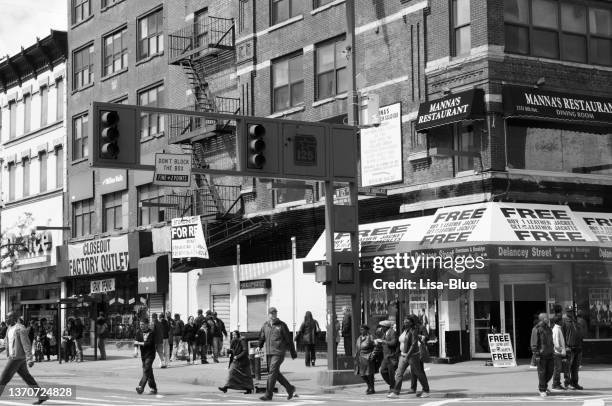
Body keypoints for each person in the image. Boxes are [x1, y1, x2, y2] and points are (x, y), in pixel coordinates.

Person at [0, 312, 48, 404]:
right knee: (27, 378)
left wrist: (30, 358)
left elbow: (26, 344)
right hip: (16, 358)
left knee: (3, 379)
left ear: (14, 318)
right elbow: (7, 344)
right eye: (6, 318)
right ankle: (42, 396)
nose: (6, 320)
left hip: (16, 358)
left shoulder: (20, 329)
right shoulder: (9, 328)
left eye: (8, 318)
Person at [257, 307, 297, 401]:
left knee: (272, 372)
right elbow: (262, 337)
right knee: (274, 373)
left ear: (276, 314)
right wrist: (260, 345)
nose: (273, 315)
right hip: (269, 352)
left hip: (279, 352)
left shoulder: (282, 325)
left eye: (275, 313)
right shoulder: (265, 325)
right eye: (271, 313)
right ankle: (290, 388)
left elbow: (288, 339)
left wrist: (293, 352)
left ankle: (268, 395)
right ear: (268, 314)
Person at [388, 316, 430, 399]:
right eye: (404, 320)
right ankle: (396, 392)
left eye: (407, 320)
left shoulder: (413, 330)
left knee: (418, 373)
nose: (405, 321)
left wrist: (408, 355)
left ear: (411, 322)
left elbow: (414, 344)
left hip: (413, 356)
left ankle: (426, 390)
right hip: (403, 355)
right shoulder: (404, 330)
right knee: (399, 373)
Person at [531, 312, 554, 397]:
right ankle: (542, 389)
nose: (548, 319)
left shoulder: (548, 328)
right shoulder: (536, 329)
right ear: (542, 319)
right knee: (542, 373)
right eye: (546, 318)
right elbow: (534, 343)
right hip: (541, 355)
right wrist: (536, 354)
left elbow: (551, 341)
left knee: (550, 372)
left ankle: (543, 385)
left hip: (550, 353)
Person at [563, 306, 584, 390]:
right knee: (568, 367)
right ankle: (567, 383)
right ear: (566, 312)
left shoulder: (575, 321)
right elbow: (562, 335)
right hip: (569, 348)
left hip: (578, 347)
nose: (571, 313)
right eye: (569, 311)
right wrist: (565, 346)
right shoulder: (564, 322)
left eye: (572, 311)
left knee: (575, 368)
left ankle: (575, 383)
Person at [134, 318, 157, 395]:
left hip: (150, 354)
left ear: (147, 324)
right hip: (143, 355)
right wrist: (135, 351)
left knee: (146, 369)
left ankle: (141, 386)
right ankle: (153, 388)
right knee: (149, 371)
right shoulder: (138, 332)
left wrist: (139, 343)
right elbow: (135, 343)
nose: (141, 326)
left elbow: (149, 343)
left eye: (143, 324)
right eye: (140, 324)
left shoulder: (152, 333)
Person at [376, 320, 398, 393]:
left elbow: (393, 343)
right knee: (383, 371)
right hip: (386, 356)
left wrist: (383, 341)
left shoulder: (392, 332)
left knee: (391, 372)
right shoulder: (385, 333)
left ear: (386, 327)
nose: (381, 328)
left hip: (391, 356)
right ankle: (393, 385)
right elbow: (383, 342)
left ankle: (393, 387)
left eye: (382, 327)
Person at [354, 324, 377, 395]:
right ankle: (369, 386)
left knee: (369, 374)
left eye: (363, 329)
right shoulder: (359, 338)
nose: (361, 331)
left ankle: (372, 388)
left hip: (367, 358)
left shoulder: (370, 337)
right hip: (360, 358)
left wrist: (372, 355)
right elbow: (357, 348)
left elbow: (376, 347)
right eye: (360, 329)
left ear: (367, 330)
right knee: (362, 375)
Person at [551, 315, 568, 391]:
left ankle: (557, 383)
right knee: (557, 369)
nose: (563, 321)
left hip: (558, 352)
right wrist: (562, 350)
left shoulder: (558, 329)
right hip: (557, 352)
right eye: (561, 320)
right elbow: (556, 342)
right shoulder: (556, 329)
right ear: (558, 321)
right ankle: (555, 384)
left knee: (558, 368)